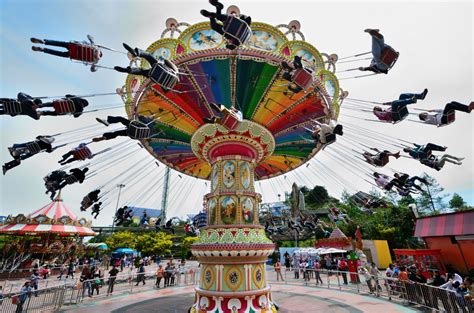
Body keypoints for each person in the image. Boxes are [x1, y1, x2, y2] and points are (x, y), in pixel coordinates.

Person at [114, 43, 179, 88]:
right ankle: (129, 70)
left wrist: (164, 60)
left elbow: (166, 61)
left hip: (158, 68)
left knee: (148, 55)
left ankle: (136, 52)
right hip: (153, 75)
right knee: (141, 71)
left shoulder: (176, 72)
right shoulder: (168, 86)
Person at [31, 35, 102, 71]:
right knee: (59, 53)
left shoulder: (95, 47)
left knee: (60, 44)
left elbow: (89, 37)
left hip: (73, 46)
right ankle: (43, 50)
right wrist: (96, 67)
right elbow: (92, 70)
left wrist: (91, 39)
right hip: (73, 55)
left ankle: (44, 42)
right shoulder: (95, 61)